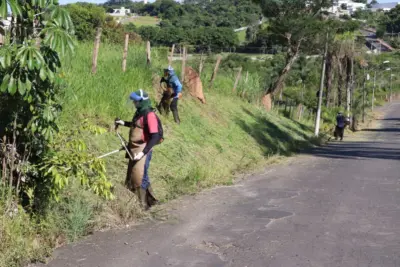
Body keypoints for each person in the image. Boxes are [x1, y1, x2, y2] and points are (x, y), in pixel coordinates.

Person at [115, 89, 162, 210]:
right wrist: (122, 123)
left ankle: (143, 206)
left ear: (142, 101)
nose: (134, 103)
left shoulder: (149, 115)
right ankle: (151, 201)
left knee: (140, 176)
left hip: (143, 148)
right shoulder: (140, 113)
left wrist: (142, 153)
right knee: (135, 175)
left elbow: (155, 136)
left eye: (135, 101)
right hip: (134, 148)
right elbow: (136, 125)